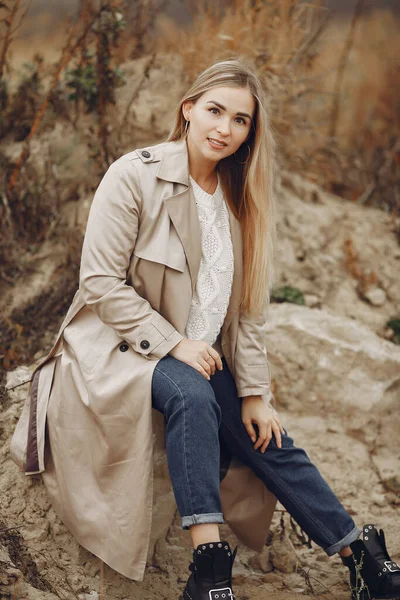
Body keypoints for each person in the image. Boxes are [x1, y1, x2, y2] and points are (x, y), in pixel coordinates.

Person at [10, 58, 400, 600]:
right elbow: (98, 282)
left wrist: (256, 392)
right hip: (123, 347)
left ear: (250, 133)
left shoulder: (243, 202)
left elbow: (247, 315)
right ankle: (209, 570)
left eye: (241, 120)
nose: (225, 128)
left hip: (200, 353)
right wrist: (174, 343)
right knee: (194, 396)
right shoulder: (136, 175)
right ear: (188, 109)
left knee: (269, 436)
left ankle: (359, 555)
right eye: (215, 110)